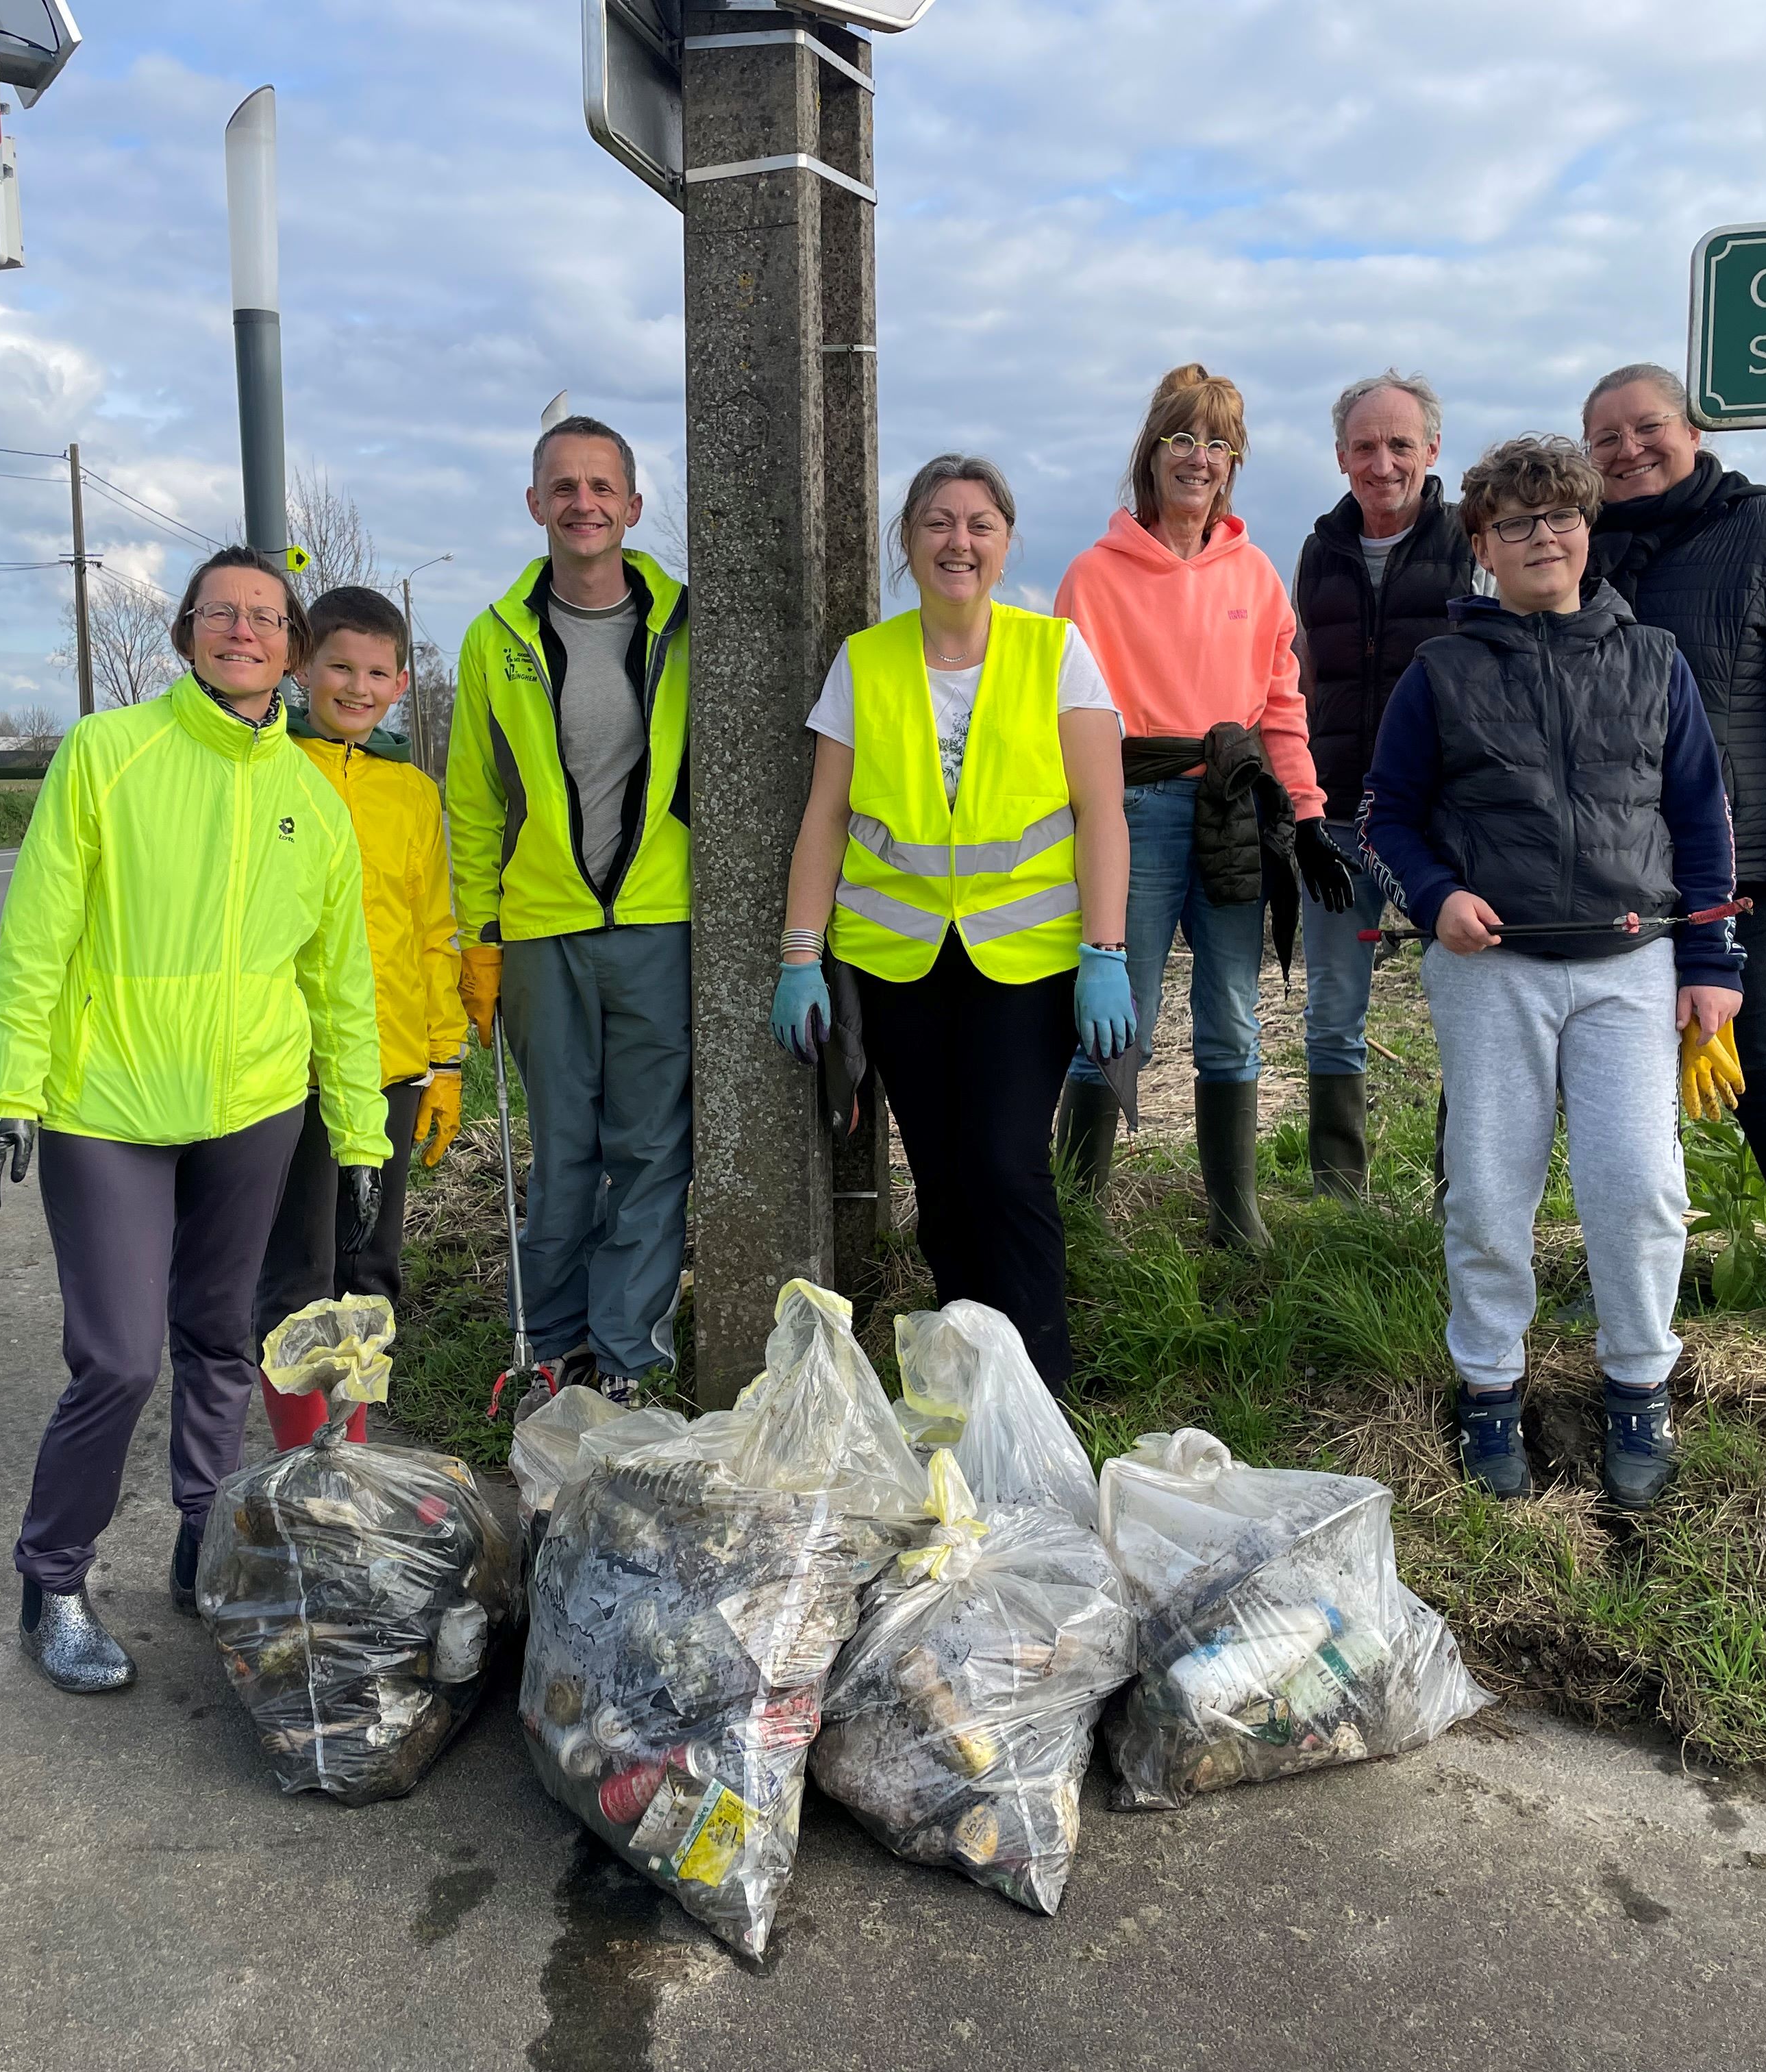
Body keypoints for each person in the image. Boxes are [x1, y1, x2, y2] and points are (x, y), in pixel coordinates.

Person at [0, 545, 389, 1692]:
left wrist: (360, 1133)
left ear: (292, 649)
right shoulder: (109, 753)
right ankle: (53, 1574)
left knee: (215, 1340)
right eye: (221, 613)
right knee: (113, 1356)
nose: (243, 631)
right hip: (108, 1100)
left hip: (253, 1105)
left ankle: (203, 1541)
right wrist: (4, 1091)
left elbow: (340, 984)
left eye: (265, 616)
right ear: (185, 633)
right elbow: (39, 932)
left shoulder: (312, 796)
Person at [1360, 436, 1743, 1511]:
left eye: (1560, 518)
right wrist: (1435, 898)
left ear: (1588, 530)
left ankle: (1638, 1386)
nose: (1543, 539)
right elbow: (1381, 817)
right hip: (1496, 972)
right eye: (1516, 525)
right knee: (1490, 1193)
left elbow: (1702, 819)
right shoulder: (1440, 673)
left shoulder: (1654, 659)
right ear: (1481, 546)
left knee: (1639, 1190)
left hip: (1633, 960)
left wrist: (1711, 958)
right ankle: (1489, 1390)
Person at [770, 454, 1132, 1390]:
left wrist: (1107, 950)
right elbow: (827, 815)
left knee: (1009, 1164)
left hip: (1030, 961)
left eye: (978, 523)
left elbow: (1102, 810)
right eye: (937, 521)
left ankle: (1039, 1390)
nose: (957, 540)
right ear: (908, 541)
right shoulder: (867, 661)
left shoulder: (1058, 653)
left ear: (1006, 544)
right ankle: (970, 1379)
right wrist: (800, 955)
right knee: (941, 1181)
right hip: (901, 966)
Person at [1049, 364, 1351, 1248]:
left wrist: (1306, 816)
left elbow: (1281, 712)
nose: (1200, 458)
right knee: (1118, 1014)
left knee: (1233, 1012)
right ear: (1152, 453)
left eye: (1218, 444)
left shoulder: (1256, 576)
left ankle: (1235, 1214)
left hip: (1231, 811)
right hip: (1131, 808)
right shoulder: (1092, 577)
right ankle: (1082, 1213)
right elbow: (1069, 717)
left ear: (1233, 464)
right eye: (1183, 438)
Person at [1582, 363, 1766, 1283]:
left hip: (1739, 880)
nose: (1630, 451)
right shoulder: (1574, 556)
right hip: (1609, 877)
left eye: (1647, 427)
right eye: (1606, 440)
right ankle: (1633, 1287)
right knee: (1619, 1096)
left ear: (1697, 430)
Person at [446, 415, 691, 1409]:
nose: (582, 503)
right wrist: (479, 938)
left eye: (602, 487)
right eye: (563, 485)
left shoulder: (687, 624)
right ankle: (548, 1352)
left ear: (632, 509)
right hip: (540, 932)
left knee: (649, 1151)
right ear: (536, 503)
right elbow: (471, 801)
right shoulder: (493, 636)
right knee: (564, 1155)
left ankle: (627, 1357)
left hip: (658, 924)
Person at [251, 584, 467, 1450]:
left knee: (368, 1266)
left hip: (392, 1062)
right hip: (290, 1064)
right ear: (303, 667)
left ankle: (357, 1455)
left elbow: (432, 929)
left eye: (378, 672)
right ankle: (304, 1458)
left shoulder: (413, 793)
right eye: (340, 666)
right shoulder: (268, 769)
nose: (357, 686)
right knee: (298, 1270)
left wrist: (445, 1058)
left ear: (402, 683)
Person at [1289, 371, 1476, 1198]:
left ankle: (1460, 1190)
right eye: (1365, 446)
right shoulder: (1318, 548)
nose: (1383, 462)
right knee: (1334, 1012)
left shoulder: (1471, 540)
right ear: (1340, 457)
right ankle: (1339, 1194)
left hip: (1444, 816)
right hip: (1335, 816)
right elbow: (1297, 675)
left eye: (1401, 444)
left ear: (1432, 450)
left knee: (1470, 1010)